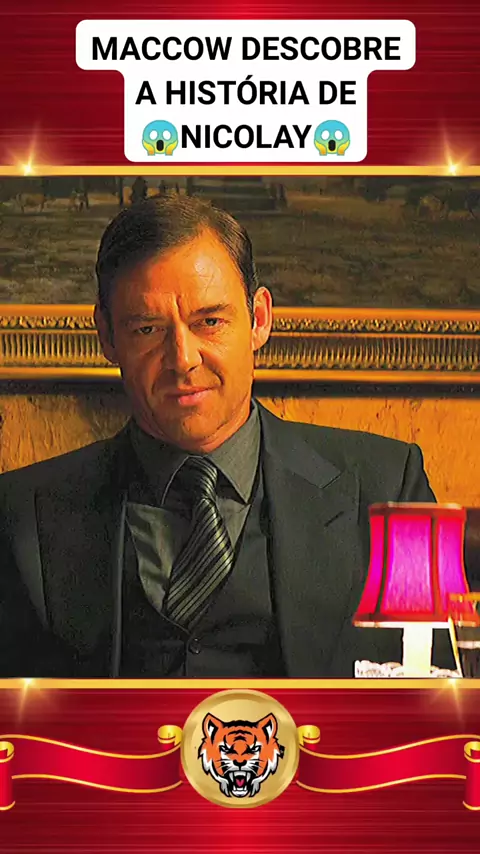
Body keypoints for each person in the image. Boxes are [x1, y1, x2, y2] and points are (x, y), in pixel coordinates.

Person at [0, 196, 444, 678]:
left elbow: (437, 699)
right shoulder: (20, 512)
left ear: (259, 319)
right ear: (107, 336)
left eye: (209, 322)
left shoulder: (391, 488)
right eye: (147, 329)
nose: (183, 359)